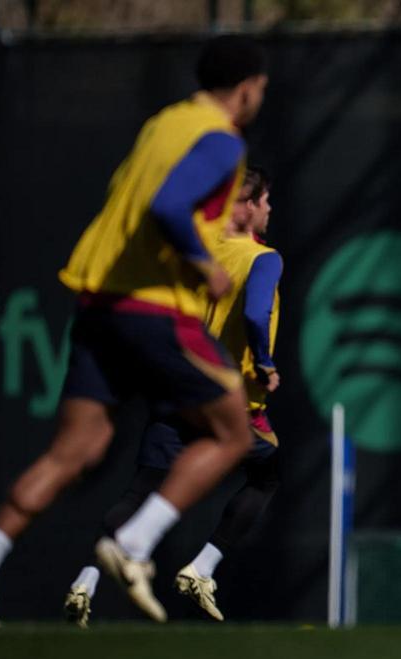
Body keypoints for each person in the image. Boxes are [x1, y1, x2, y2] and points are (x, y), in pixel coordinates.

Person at [0, 35, 269, 627]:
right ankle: (131, 545)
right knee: (231, 430)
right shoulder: (223, 141)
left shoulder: (162, 123)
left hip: (98, 302)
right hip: (150, 306)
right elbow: (170, 208)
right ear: (248, 88)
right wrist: (204, 267)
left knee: (78, 450)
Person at [63, 167, 283, 627]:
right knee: (266, 475)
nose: (269, 210)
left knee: (142, 489)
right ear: (246, 206)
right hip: (232, 401)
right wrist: (263, 360)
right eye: (264, 202)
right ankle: (202, 568)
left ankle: (85, 580)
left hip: (178, 389)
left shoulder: (193, 253)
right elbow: (257, 313)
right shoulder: (263, 258)